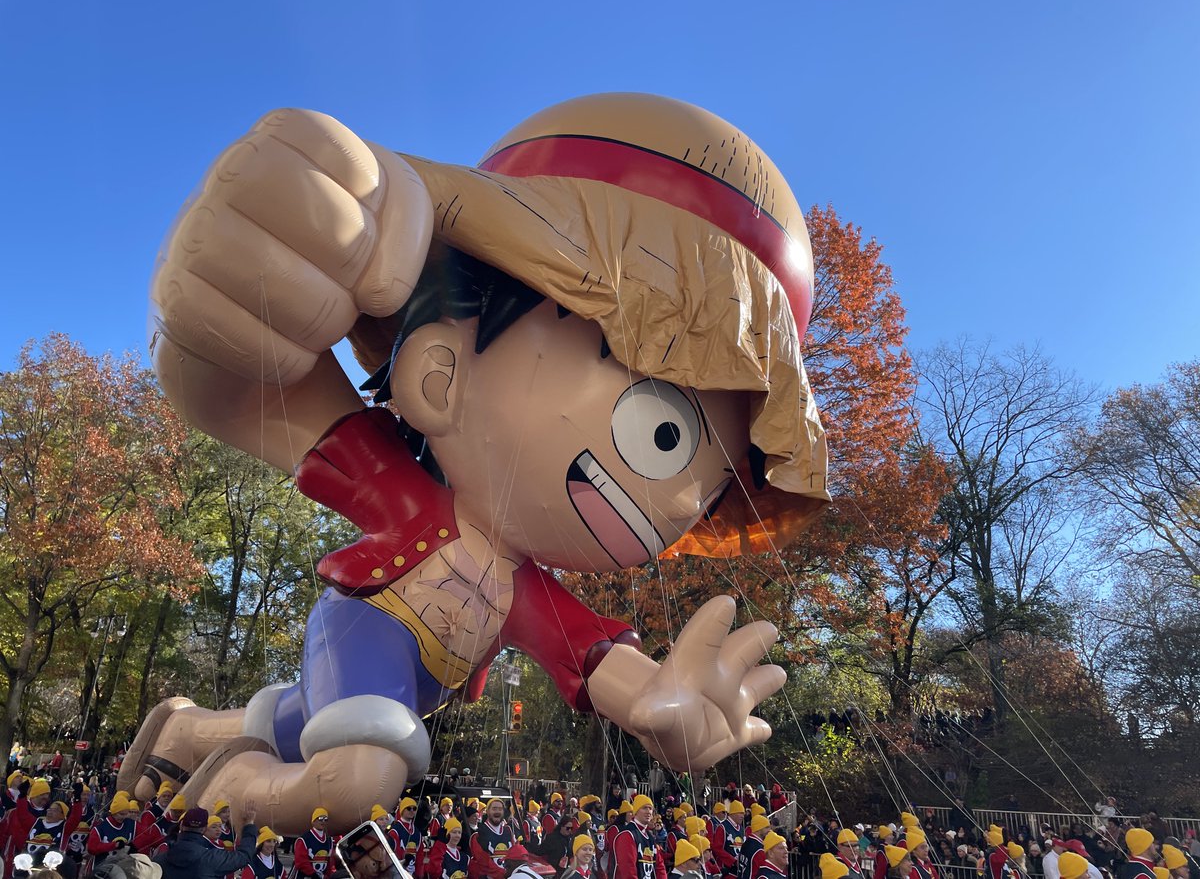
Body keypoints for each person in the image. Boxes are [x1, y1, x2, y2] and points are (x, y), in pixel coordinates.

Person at [121, 93, 824, 832]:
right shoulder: (399, 490)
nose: (682, 503)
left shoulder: (526, 590)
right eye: (662, 432)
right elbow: (262, 397)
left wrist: (658, 706)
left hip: (419, 676)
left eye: (713, 485)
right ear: (438, 368)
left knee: (320, 717)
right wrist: (219, 300)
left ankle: (191, 733)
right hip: (367, 623)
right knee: (363, 774)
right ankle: (224, 792)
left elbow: (590, 658)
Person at [156, 806, 257, 879]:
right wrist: (249, 824)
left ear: (181, 826)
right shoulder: (210, 858)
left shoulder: (160, 859)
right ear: (204, 829)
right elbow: (243, 856)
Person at [612, 796, 665, 879]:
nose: (648, 812)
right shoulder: (627, 834)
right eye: (644, 808)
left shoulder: (650, 837)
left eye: (650, 808)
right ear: (635, 812)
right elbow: (628, 870)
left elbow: (659, 866)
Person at [471, 799, 517, 879]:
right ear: (488, 811)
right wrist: (504, 874)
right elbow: (484, 862)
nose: (497, 812)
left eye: (500, 809)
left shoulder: (508, 831)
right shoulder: (479, 834)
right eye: (494, 809)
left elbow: (515, 854)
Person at [292, 808, 334, 878]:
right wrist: (313, 875)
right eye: (320, 818)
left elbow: (330, 862)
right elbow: (300, 862)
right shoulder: (303, 839)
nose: (323, 821)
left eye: (325, 819)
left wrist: (328, 876)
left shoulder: (329, 840)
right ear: (313, 821)